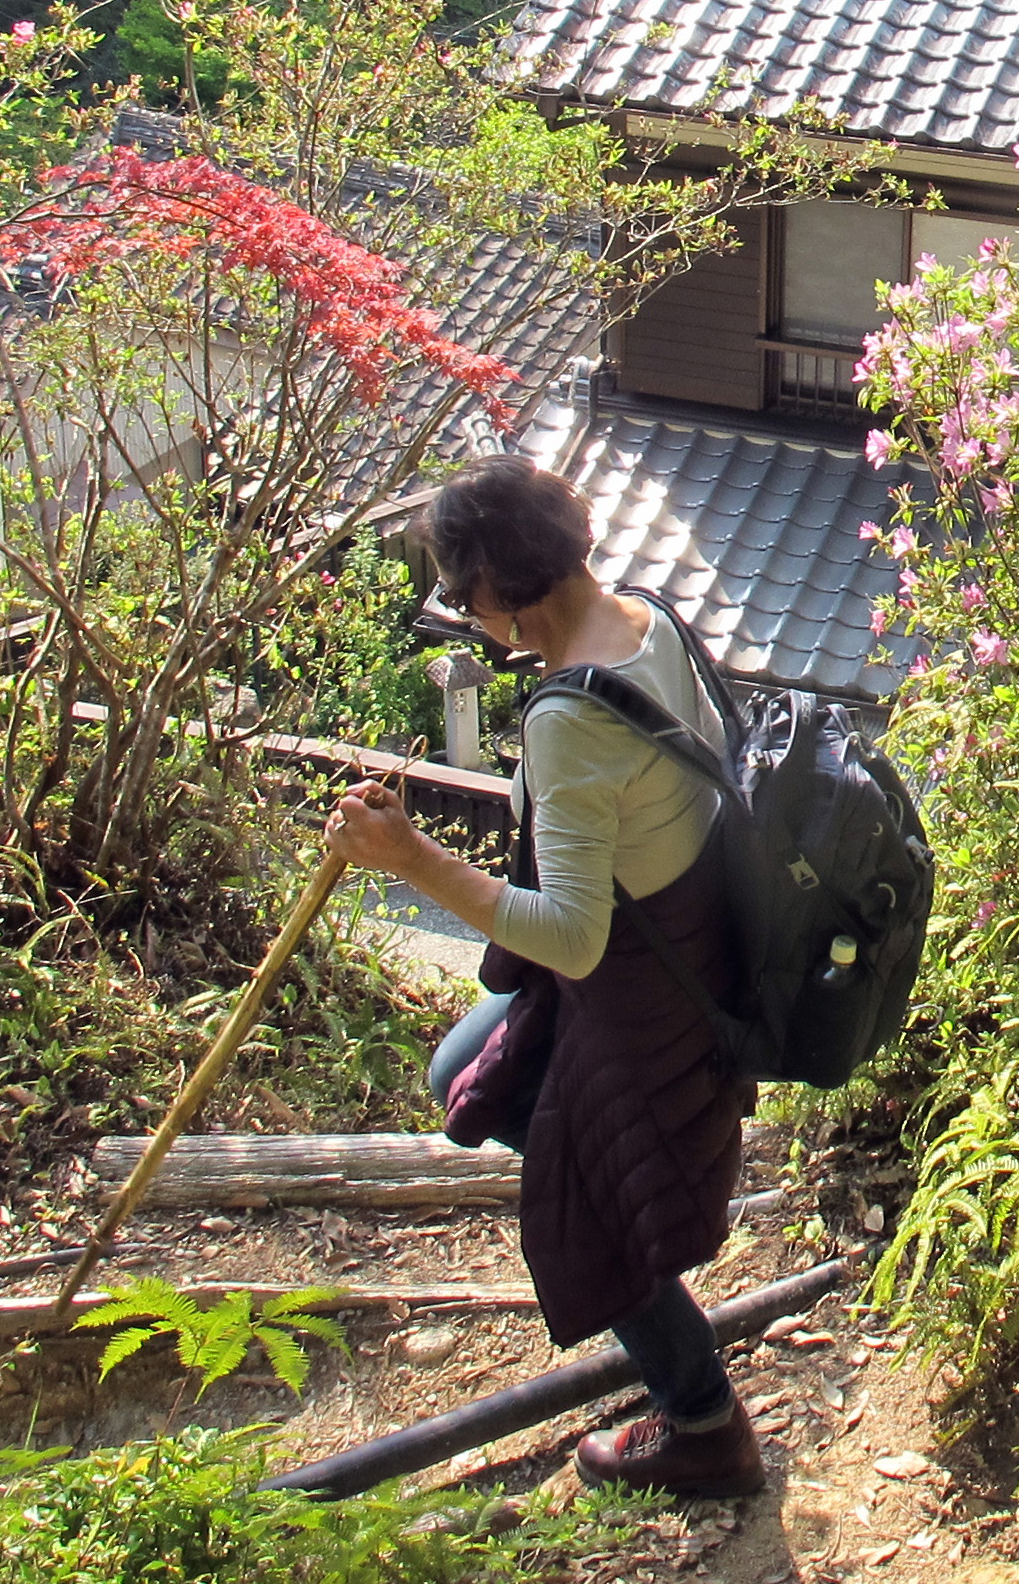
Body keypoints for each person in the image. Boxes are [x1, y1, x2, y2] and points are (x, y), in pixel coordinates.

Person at [322, 455, 761, 1500]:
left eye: (460, 588)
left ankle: (703, 1420)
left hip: (633, 993)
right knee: (465, 1071)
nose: (460, 610)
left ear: (504, 587)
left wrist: (412, 861)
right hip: (699, 956)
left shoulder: (568, 721)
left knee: (583, 1185)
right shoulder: (647, 620)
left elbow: (567, 937)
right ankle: (657, 1306)